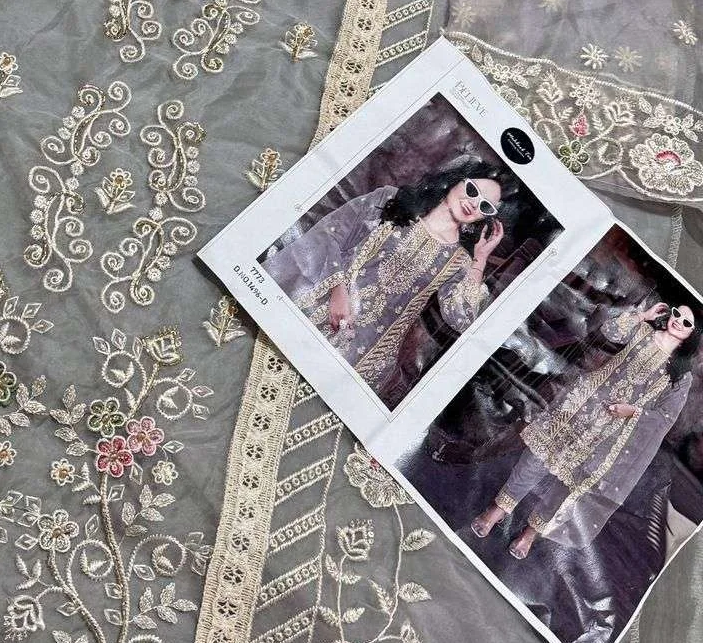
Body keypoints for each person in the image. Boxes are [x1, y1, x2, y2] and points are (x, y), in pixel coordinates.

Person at [262, 159, 511, 399]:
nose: (473, 204)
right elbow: (330, 233)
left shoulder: (459, 261)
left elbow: (461, 318)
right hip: (321, 299)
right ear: (457, 180)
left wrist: (480, 259)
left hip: (363, 352)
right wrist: (337, 290)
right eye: (472, 191)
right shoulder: (391, 200)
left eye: (485, 206)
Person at [472, 300, 699, 558]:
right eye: (677, 313)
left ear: (693, 333)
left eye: (687, 322)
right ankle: (499, 508)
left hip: (610, 432)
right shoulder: (643, 332)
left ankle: (531, 532)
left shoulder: (681, 376)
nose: (678, 321)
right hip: (580, 404)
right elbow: (610, 331)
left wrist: (632, 412)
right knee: (537, 457)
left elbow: (665, 417)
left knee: (570, 483)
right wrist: (642, 316)